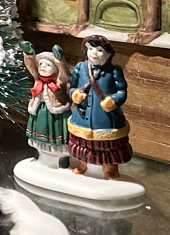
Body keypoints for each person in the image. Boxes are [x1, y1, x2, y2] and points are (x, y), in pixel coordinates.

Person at [66, 35, 131, 180]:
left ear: (109, 54)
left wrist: (113, 101)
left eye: (99, 50)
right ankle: (83, 165)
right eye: (90, 49)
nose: (94, 53)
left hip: (105, 119)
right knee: (83, 145)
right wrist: (74, 94)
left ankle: (110, 169)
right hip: (82, 117)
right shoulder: (80, 67)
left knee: (107, 148)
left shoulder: (114, 71)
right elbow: (72, 85)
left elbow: (122, 91)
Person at [21, 41, 70, 167]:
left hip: (55, 114)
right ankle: (39, 156)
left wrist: (60, 60)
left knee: (56, 135)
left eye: (48, 65)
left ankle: (62, 161)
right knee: (38, 137)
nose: (43, 67)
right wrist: (29, 55)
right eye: (41, 64)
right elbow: (30, 67)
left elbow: (65, 75)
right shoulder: (38, 78)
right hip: (39, 111)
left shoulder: (58, 81)